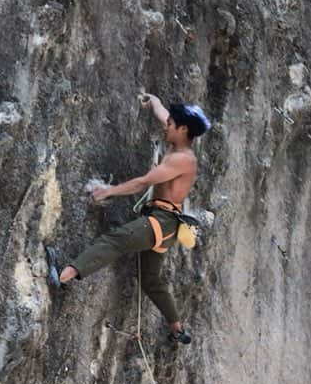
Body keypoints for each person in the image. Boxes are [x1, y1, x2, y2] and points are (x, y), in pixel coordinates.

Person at [46, 94, 211, 344]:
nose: (166, 126)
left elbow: (144, 182)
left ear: (183, 129)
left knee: (115, 240)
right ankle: (177, 329)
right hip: (163, 225)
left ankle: (64, 275)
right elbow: (165, 116)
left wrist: (108, 190)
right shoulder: (179, 144)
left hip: (162, 221)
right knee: (150, 280)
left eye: (170, 125)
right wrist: (154, 102)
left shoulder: (182, 160)